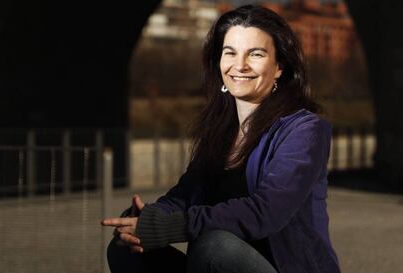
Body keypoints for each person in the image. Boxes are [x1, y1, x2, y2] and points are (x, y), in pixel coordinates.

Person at [101, 4, 341, 273]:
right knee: (127, 250)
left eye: (256, 54)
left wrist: (170, 227)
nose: (240, 65)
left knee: (214, 246)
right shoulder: (220, 131)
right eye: (230, 53)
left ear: (279, 67)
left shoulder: (305, 130)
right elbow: (185, 196)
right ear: (219, 64)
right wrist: (146, 219)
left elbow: (265, 211)